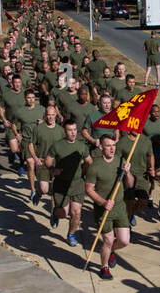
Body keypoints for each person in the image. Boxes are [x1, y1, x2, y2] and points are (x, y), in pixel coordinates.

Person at [83, 134, 133, 279]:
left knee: (124, 241)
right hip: (103, 209)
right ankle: (104, 267)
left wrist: (128, 172)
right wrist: (103, 202)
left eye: (113, 145)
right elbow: (89, 189)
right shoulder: (95, 166)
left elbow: (130, 184)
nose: (112, 148)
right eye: (108, 146)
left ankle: (111, 251)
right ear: (101, 147)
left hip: (119, 207)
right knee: (108, 240)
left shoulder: (121, 161)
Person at [46, 118, 89, 246]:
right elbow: (48, 161)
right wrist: (53, 169)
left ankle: (71, 234)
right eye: (70, 130)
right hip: (61, 184)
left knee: (76, 212)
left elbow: (89, 161)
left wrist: (83, 173)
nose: (73, 133)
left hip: (77, 184)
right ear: (65, 131)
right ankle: (55, 213)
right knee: (63, 214)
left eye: (75, 130)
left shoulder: (82, 146)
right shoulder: (57, 145)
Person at [28, 102, 64, 213]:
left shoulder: (60, 130)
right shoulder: (38, 129)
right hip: (42, 162)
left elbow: (65, 146)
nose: (51, 117)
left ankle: (54, 213)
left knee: (54, 189)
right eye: (48, 114)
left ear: (56, 115)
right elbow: (31, 145)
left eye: (53, 115)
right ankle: (38, 194)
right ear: (45, 115)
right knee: (44, 189)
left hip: (55, 163)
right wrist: (35, 158)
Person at [11, 88, 45, 202]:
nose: (31, 100)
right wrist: (17, 134)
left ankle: (41, 186)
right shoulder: (20, 111)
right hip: (26, 140)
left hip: (39, 141)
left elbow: (50, 122)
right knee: (30, 164)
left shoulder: (41, 109)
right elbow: (14, 124)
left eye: (32, 98)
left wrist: (43, 123)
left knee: (40, 165)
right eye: (28, 98)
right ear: (25, 99)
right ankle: (32, 189)